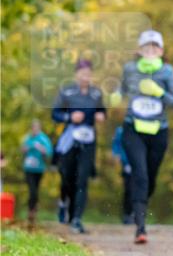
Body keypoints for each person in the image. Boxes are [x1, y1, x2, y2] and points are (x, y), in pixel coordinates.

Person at [116, 29, 173, 244]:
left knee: (150, 178)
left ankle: (141, 205)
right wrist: (114, 95)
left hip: (158, 132)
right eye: (146, 47)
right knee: (140, 174)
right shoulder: (129, 69)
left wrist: (160, 93)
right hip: (132, 128)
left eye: (155, 47)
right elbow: (121, 90)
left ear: (161, 51)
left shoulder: (167, 72)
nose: (150, 50)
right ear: (139, 50)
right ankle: (140, 227)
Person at [52, 58, 106, 233]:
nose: (85, 77)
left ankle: (76, 218)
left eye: (88, 74)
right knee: (67, 176)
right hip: (70, 138)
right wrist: (69, 117)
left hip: (89, 139)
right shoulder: (67, 92)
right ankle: (64, 202)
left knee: (82, 179)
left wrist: (101, 116)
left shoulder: (96, 94)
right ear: (76, 74)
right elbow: (55, 113)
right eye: (82, 73)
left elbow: (102, 111)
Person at [20, 120, 53, 227]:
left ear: (39, 128)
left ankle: (33, 209)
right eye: (33, 128)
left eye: (36, 128)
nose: (34, 130)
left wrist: (40, 148)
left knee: (35, 190)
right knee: (32, 190)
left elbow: (49, 153)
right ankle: (31, 211)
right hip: (28, 168)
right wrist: (27, 148)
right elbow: (22, 150)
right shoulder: (27, 138)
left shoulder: (43, 139)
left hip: (39, 169)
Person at [110, 125, 133, 224]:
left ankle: (136, 213)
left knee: (140, 189)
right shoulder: (121, 130)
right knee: (128, 189)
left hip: (141, 164)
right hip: (127, 163)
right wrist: (117, 155)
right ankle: (127, 214)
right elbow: (116, 145)